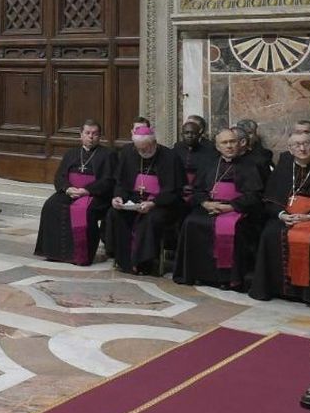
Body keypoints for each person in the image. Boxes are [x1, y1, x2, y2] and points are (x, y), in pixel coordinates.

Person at [249, 131, 310, 306]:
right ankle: (274, 289)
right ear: (290, 149)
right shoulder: (283, 170)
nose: (302, 148)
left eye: (306, 144)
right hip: (286, 216)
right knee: (270, 234)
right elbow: (269, 200)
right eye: (297, 145)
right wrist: (282, 215)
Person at [174, 128, 264, 289]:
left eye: (232, 142)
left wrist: (229, 207)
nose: (229, 146)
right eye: (225, 142)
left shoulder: (251, 165)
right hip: (211, 206)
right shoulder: (209, 163)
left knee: (235, 228)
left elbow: (255, 196)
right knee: (191, 222)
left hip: (237, 210)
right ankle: (198, 274)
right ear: (217, 146)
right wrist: (206, 203)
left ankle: (227, 278)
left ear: (239, 144)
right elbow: (198, 190)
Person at [105, 126, 185, 275]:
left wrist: (153, 203)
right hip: (133, 200)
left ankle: (144, 263)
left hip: (162, 203)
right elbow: (121, 183)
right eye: (139, 149)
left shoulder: (170, 157)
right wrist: (118, 197)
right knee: (114, 213)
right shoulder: (128, 152)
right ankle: (124, 260)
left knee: (151, 219)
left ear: (154, 143)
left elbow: (174, 192)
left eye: (146, 148)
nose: (143, 152)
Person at [35, 121, 116, 266]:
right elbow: (60, 176)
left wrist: (87, 190)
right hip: (71, 191)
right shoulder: (71, 153)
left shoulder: (108, 155)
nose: (91, 137)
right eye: (87, 133)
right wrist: (67, 188)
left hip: (95, 195)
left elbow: (109, 180)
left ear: (99, 136)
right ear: (81, 135)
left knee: (85, 211)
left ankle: (80, 256)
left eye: (94, 134)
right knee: (51, 205)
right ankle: (54, 253)